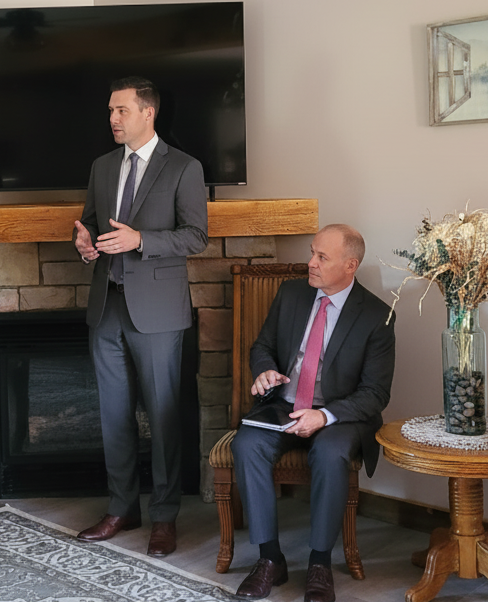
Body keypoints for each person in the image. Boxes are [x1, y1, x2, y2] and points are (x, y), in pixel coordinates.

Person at [72, 76, 209, 557]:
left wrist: (141, 240)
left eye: (121, 110)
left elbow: (196, 236)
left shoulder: (185, 167)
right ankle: (122, 507)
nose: (112, 118)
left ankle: (164, 517)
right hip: (106, 305)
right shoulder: (102, 166)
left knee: (163, 416)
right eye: (110, 111)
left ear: (148, 113)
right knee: (113, 415)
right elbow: (91, 223)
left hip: (157, 312)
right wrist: (85, 243)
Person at [230, 225, 396, 602]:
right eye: (312, 253)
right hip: (283, 405)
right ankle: (270, 559)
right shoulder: (291, 293)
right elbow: (263, 346)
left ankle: (320, 563)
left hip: (339, 414)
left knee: (331, 452)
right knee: (247, 445)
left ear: (350, 265)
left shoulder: (377, 316)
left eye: (322, 257)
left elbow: (375, 393)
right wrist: (265, 371)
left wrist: (324, 417)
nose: (311, 263)